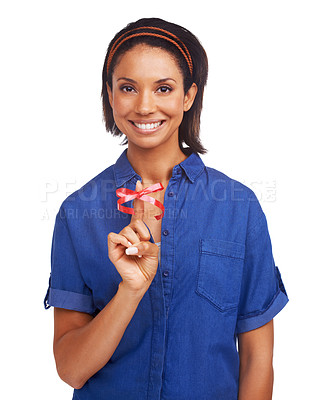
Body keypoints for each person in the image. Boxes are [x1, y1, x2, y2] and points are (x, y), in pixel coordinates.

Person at [43, 17, 289, 400]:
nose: (144, 106)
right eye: (128, 88)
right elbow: (72, 370)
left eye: (163, 88)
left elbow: (258, 357)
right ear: (110, 94)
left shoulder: (239, 209)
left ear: (188, 96)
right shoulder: (78, 214)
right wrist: (130, 290)